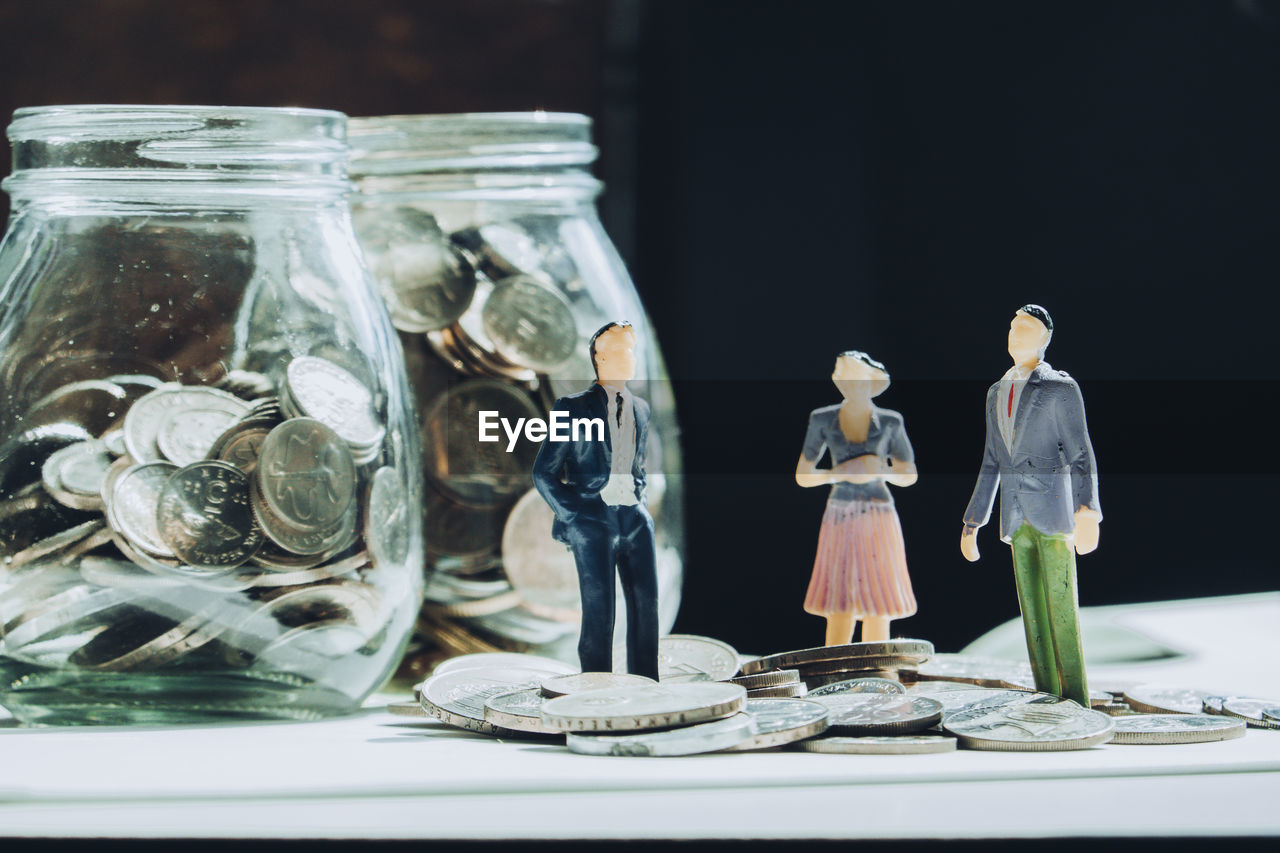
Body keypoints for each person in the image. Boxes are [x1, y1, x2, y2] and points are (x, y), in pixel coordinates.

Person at [960, 304, 1101, 707]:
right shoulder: (995, 391)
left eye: (1024, 328)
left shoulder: (1059, 387)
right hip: (1014, 514)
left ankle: (1076, 701)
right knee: (1033, 615)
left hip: (1054, 512)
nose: (1014, 334)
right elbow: (991, 460)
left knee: (1061, 609)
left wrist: (1087, 510)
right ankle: (1046, 698)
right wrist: (973, 522)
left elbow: (1081, 453)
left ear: (1044, 338)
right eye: (1011, 327)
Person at [531, 321, 658, 679]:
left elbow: (638, 463)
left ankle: (648, 686)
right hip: (593, 519)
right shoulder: (572, 407)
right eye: (618, 351)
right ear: (599, 358)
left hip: (634, 517)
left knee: (646, 608)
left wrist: (640, 498)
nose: (627, 358)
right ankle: (596, 688)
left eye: (630, 350)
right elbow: (544, 472)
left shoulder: (642, 409)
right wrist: (575, 515)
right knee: (599, 612)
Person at [795, 351, 918, 646]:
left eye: (857, 379)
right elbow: (803, 475)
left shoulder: (889, 422)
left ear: (871, 382)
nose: (851, 385)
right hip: (841, 511)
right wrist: (841, 474)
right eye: (844, 379)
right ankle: (834, 665)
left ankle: (876, 666)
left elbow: (908, 474)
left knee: (879, 600)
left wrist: (880, 471)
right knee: (840, 598)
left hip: (879, 512)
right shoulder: (823, 419)